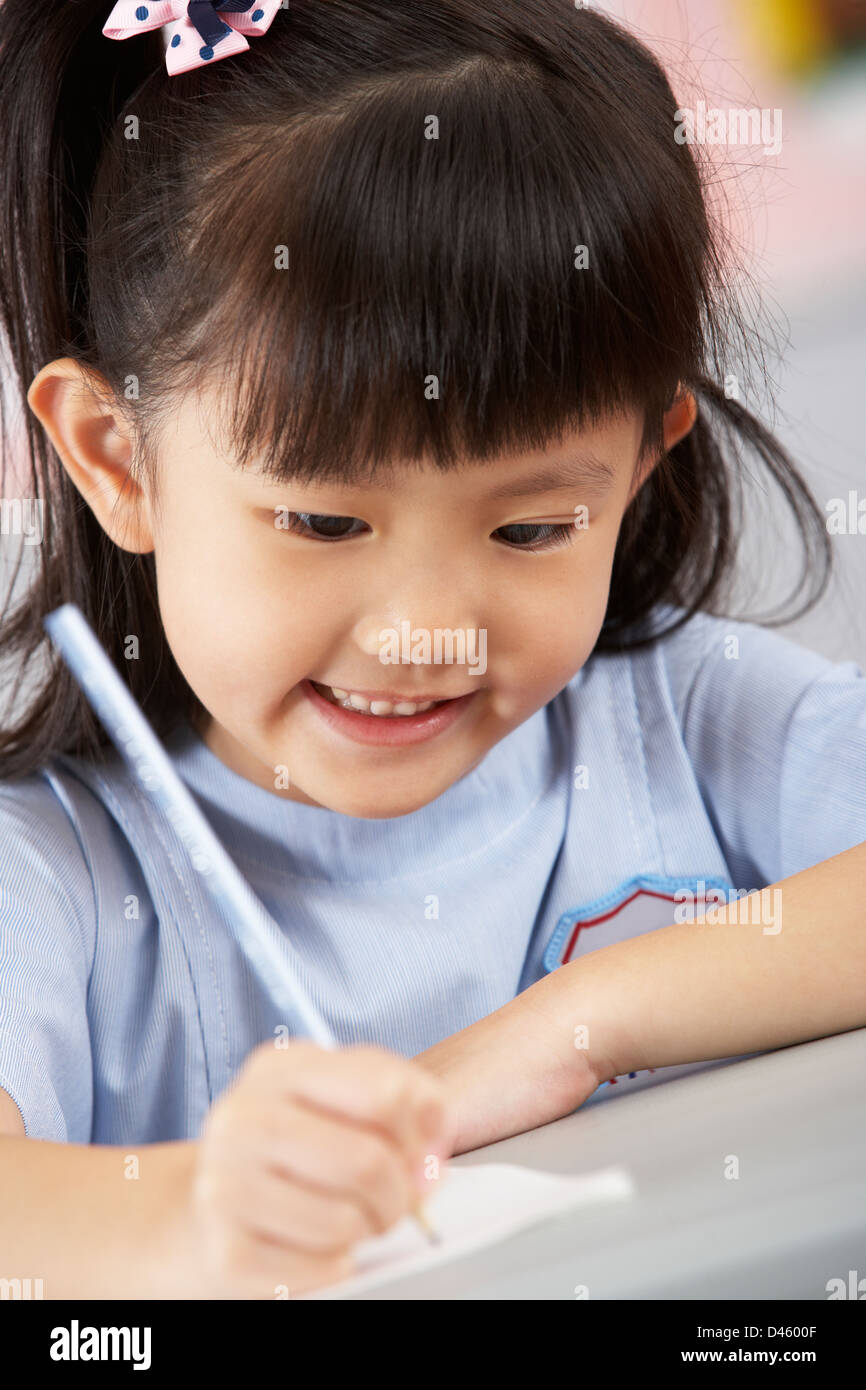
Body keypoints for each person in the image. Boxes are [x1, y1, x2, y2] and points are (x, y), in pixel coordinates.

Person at [0, 0, 863, 1299]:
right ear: (119, 460)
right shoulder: (54, 876)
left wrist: (573, 1026)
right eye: (323, 519)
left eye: (527, 527)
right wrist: (193, 1210)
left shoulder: (692, 722)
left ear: (639, 464)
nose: (424, 629)